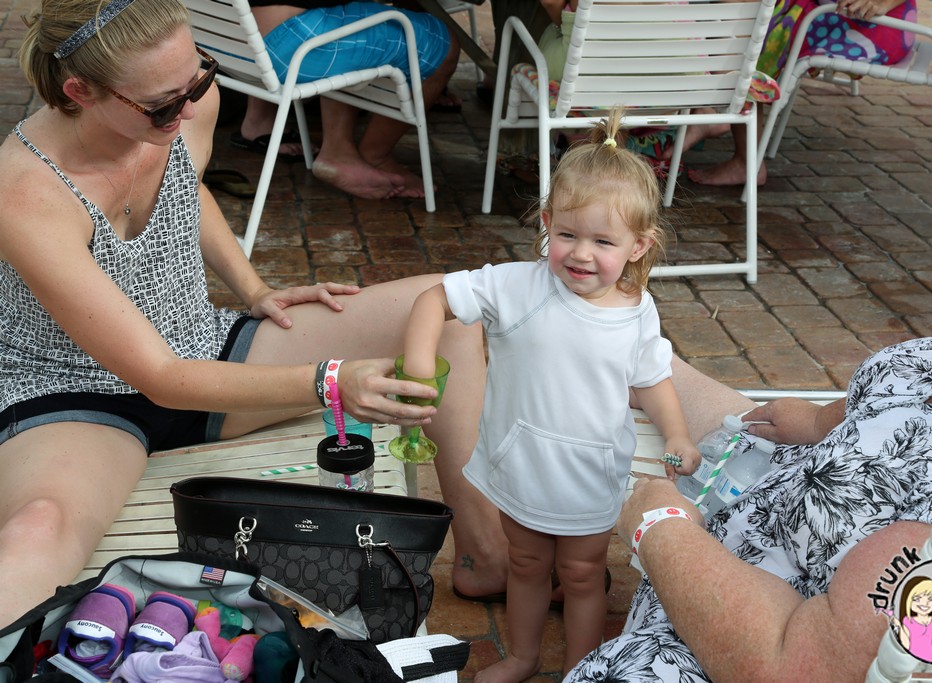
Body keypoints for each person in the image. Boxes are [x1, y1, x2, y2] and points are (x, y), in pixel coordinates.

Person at [0, 0, 490, 629]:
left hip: (203, 348)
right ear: (80, 92)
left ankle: (486, 559)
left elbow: (187, 183)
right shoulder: (24, 192)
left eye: (197, 78)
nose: (188, 108)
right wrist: (331, 382)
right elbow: (160, 378)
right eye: (162, 105)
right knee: (39, 529)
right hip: (79, 396)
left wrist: (254, 288)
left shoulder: (186, 104)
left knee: (451, 310)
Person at [560, 163, 932, 682]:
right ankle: (625, 358)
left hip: (711, 649)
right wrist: (819, 419)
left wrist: (658, 528)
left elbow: (793, 667)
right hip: (770, 478)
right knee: (630, 366)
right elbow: (884, 412)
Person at [399, 111, 701, 682]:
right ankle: (523, 656)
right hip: (522, 464)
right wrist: (418, 360)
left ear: (639, 246)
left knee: (584, 574)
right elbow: (434, 298)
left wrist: (678, 433)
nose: (581, 253)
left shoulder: (638, 311)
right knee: (526, 563)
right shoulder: (519, 286)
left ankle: (582, 668)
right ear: (546, 224)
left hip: (590, 472)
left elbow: (651, 380)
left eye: (602, 241)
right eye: (567, 235)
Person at [231, 0, 460, 199]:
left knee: (349, 13)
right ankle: (375, 156)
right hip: (287, 47)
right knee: (445, 45)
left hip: (232, 42)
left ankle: (339, 149)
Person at [685, 0, 917, 186]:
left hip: (870, 23)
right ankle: (714, 108)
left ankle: (718, 114)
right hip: (830, 12)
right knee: (749, 13)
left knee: (758, 25)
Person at [893, 576, 932, 662]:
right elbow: (906, 645)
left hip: (931, 660)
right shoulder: (908, 621)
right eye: (917, 599)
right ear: (908, 600)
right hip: (912, 661)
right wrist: (898, 626)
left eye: (931, 599)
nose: (925, 603)